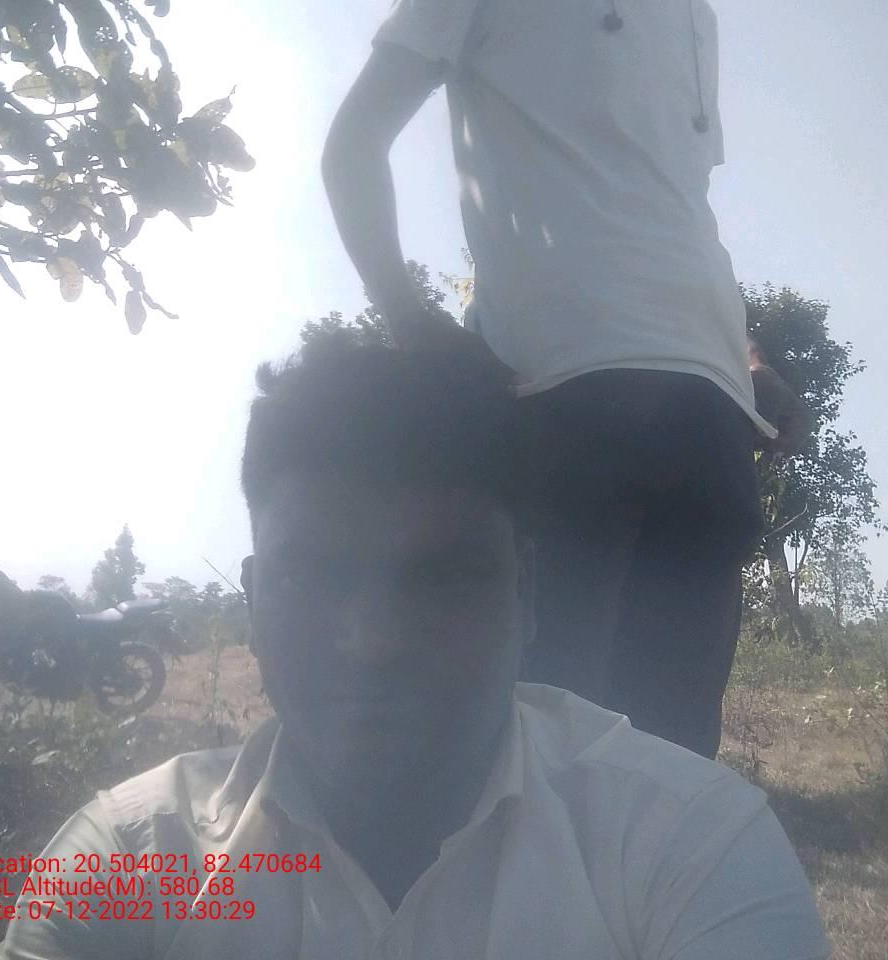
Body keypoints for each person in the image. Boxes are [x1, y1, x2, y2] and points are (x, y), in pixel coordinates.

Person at [0, 337, 831, 959]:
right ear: (253, 600)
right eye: (314, 576)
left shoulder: (687, 843)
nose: (375, 642)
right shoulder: (131, 861)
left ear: (527, 595)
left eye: (445, 578)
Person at [321, 0, 785, 757]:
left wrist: (749, 358)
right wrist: (413, 324)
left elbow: (672, 211)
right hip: (557, 396)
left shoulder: (695, 15)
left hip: (711, 411)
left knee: (671, 761)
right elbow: (353, 144)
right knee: (537, 744)